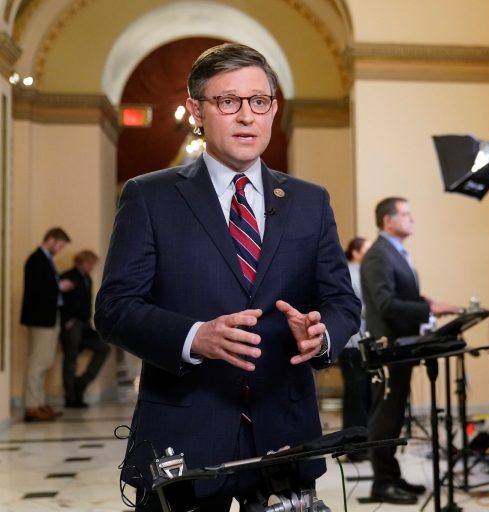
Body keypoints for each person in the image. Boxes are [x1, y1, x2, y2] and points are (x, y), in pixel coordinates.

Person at [94, 43, 360, 511]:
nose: (246, 117)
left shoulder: (310, 201)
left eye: (259, 102)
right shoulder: (149, 197)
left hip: (285, 436)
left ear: (273, 109)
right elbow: (114, 310)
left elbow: (343, 302)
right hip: (183, 435)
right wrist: (193, 337)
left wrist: (320, 337)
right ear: (197, 109)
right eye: (228, 101)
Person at [361, 196, 461, 505]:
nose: (412, 219)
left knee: (394, 416)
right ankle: (382, 483)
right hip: (388, 348)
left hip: (403, 347)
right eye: (405, 214)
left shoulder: (395, 252)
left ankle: (392, 475)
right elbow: (386, 304)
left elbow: (401, 294)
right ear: (387, 221)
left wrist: (426, 303)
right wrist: (429, 310)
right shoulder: (380, 254)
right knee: (385, 417)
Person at [20, 227, 74, 422]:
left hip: (49, 317)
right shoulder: (36, 259)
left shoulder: (46, 260)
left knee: (44, 362)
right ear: (50, 239)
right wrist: (59, 287)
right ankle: (32, 406)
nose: (59, 249)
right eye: (59, 245)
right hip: (40, 318)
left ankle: (39, 403)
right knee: (38, 362)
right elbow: (37, 288)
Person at [60, 250, 111, 408]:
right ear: (81, 262)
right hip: (72, 324)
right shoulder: (68, 276)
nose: (92, 267)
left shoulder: (87, 279)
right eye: (90, 264)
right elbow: (59, 300)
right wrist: (66, 320)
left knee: (104, 348)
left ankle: (81, 383)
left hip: (85, 325)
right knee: (71, 358)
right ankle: (70, 397)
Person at [338, 236, 372, 462]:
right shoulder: (352, 272)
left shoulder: (362, 271)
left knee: (363, 395)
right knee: (356, 397)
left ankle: (363, 445)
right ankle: (355, 449)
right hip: (352, 344)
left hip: (362, 342)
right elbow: (359, 306)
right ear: (356, 252)